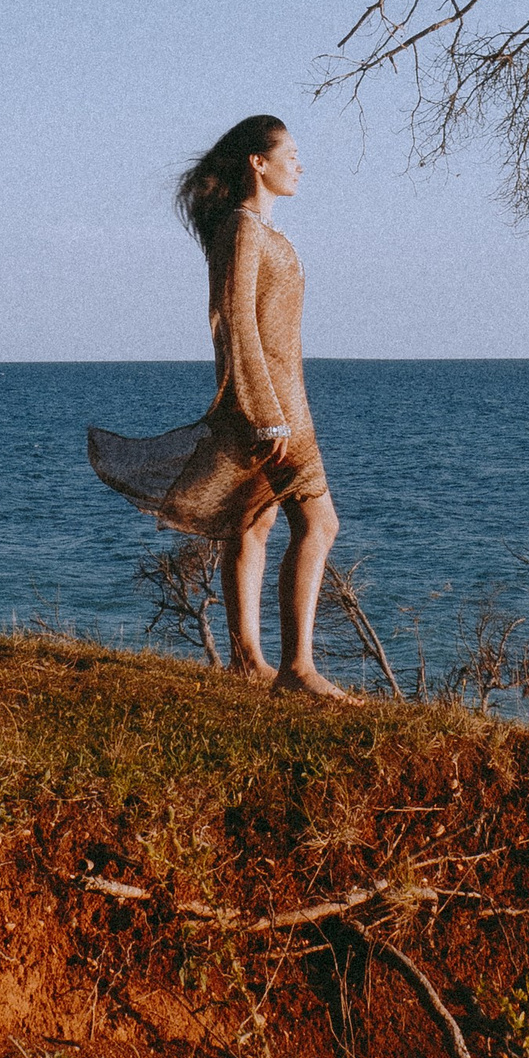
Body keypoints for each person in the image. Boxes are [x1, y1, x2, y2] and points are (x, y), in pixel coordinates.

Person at [87, 115, 346, 697]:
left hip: (275, 398)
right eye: (292, 153)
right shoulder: (243, 231)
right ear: (259, 162)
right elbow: (235, 324)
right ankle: (297, 669)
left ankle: (248, 661)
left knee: (252, 521)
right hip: (271, 405)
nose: (300, 165)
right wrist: (265, 412)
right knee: (319, 522)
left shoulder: (259, 230)